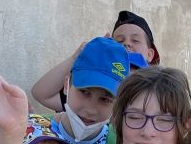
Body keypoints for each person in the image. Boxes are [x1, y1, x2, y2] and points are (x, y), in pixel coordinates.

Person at [30, 10, 162, 113]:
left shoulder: (159, 93)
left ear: (150, 54)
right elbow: (41, 94)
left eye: (135, 40)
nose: (126, 44)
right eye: (119, 41)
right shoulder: (96, 88)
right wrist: (76, 57)